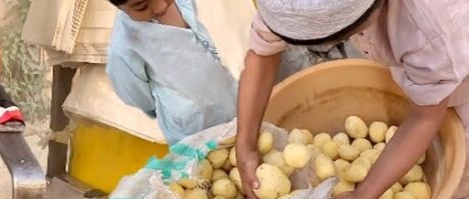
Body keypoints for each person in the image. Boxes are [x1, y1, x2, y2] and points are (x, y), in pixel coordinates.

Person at [235, 0, 469, 199]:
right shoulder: (290, 4)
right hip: (421, 56)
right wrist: (245, 145)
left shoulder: (431, 32)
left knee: (463, 159)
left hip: (461, 70)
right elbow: (263, 51)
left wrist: (362, 197)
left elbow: (424, 118)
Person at [107, 0, 354, 145]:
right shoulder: (126, 46)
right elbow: (136, 95)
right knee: (226, 163)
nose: (161, 6)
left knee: (281, 131)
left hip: (254, 86)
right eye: (142, 6)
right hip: (204, 123)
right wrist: (175, 105)